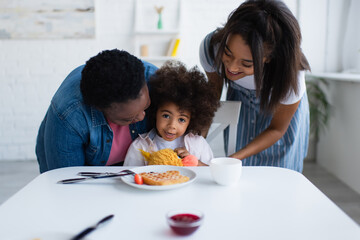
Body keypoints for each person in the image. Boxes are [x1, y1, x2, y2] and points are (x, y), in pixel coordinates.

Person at [199, 0, 310, 172]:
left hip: (279, 119)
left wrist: (231, 159)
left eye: (246, 63)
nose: (232, 67)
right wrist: (195, 142)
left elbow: (277, 129)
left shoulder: (289, 76)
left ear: (269, 57)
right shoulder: (212, 48)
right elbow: (212, 96)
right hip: (241, 107)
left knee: (277, 177)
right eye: (228, 53)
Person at [35, 49, 157, 173]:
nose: (142, 117)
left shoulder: (157, 81)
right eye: (128, 118)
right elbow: (67, 181)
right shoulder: (69, 115)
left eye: (146, 105)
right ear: (99, 107)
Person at [124, 61, 219, 166]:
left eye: (181, 119)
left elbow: (211, 174)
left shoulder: (198, 144)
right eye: (166, 116)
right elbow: (129, 175)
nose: (172, 125)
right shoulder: (140, 146)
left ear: (192, 120)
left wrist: (196, 163)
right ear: (155, 112)